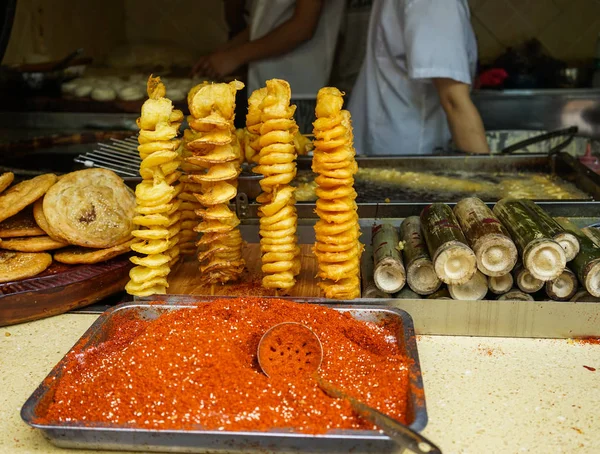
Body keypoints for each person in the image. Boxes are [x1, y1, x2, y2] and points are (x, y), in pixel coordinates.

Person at [348, 0, 490, 156]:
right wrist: (493, 176)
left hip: (385, 139)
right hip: (409, 150)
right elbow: (454, 101)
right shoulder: (438, 3)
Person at [193, 0, 345, 97]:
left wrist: (235, 57)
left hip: (300, 89)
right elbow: (265, 24)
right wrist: (226, 51)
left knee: (293, 146)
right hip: (266, 86)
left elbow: (303, 27)